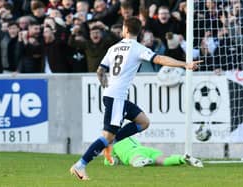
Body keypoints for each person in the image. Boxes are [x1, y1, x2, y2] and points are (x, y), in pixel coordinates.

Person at [70, 17, 201, 181]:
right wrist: (185, 64)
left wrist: (107, 86)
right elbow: (159, 59)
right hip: (116, 97)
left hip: (114, 95)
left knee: (143, 122)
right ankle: (80, 165)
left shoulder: (113, 48)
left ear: (124, 29)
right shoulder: (137, 48)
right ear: (139, 32)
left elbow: (100, 71)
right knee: (107, 137)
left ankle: (111, 143)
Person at [103, 137, 203, 168]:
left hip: (134, 152)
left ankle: (141, 161)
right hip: (147, 149)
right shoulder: (129, 137)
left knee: (134, 158)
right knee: (163, 160)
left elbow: (109, 161)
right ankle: (182, 158)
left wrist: (111, 160)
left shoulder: (112, 145)